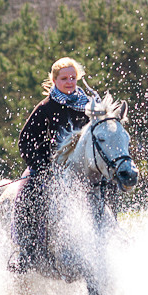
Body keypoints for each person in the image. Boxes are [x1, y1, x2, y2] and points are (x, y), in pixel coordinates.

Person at [13, 57, 97, 272]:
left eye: (73, 78)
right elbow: (25, 140)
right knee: (25, 196)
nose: (69, 82)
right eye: (64, 78)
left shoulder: (88, 107)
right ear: (54, 80)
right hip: (46, 168)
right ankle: (24, 252)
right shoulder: (45, 108)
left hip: (81, 170)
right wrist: (41, 166)